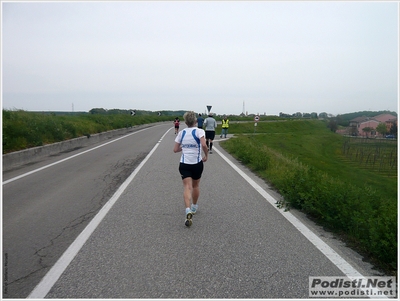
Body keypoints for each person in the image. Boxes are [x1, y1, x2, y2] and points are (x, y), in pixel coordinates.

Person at [173, 111, 208, 227]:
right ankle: (194, 207)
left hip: (184, 163)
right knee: (196, 185)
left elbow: (175, 149)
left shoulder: (181, 133)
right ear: (195, 121)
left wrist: (185, 147)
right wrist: (206, 155)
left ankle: (187, 209)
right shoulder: (199, 131)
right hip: (196, 163)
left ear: (185, 122)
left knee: (187, 187)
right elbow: (203, 144)